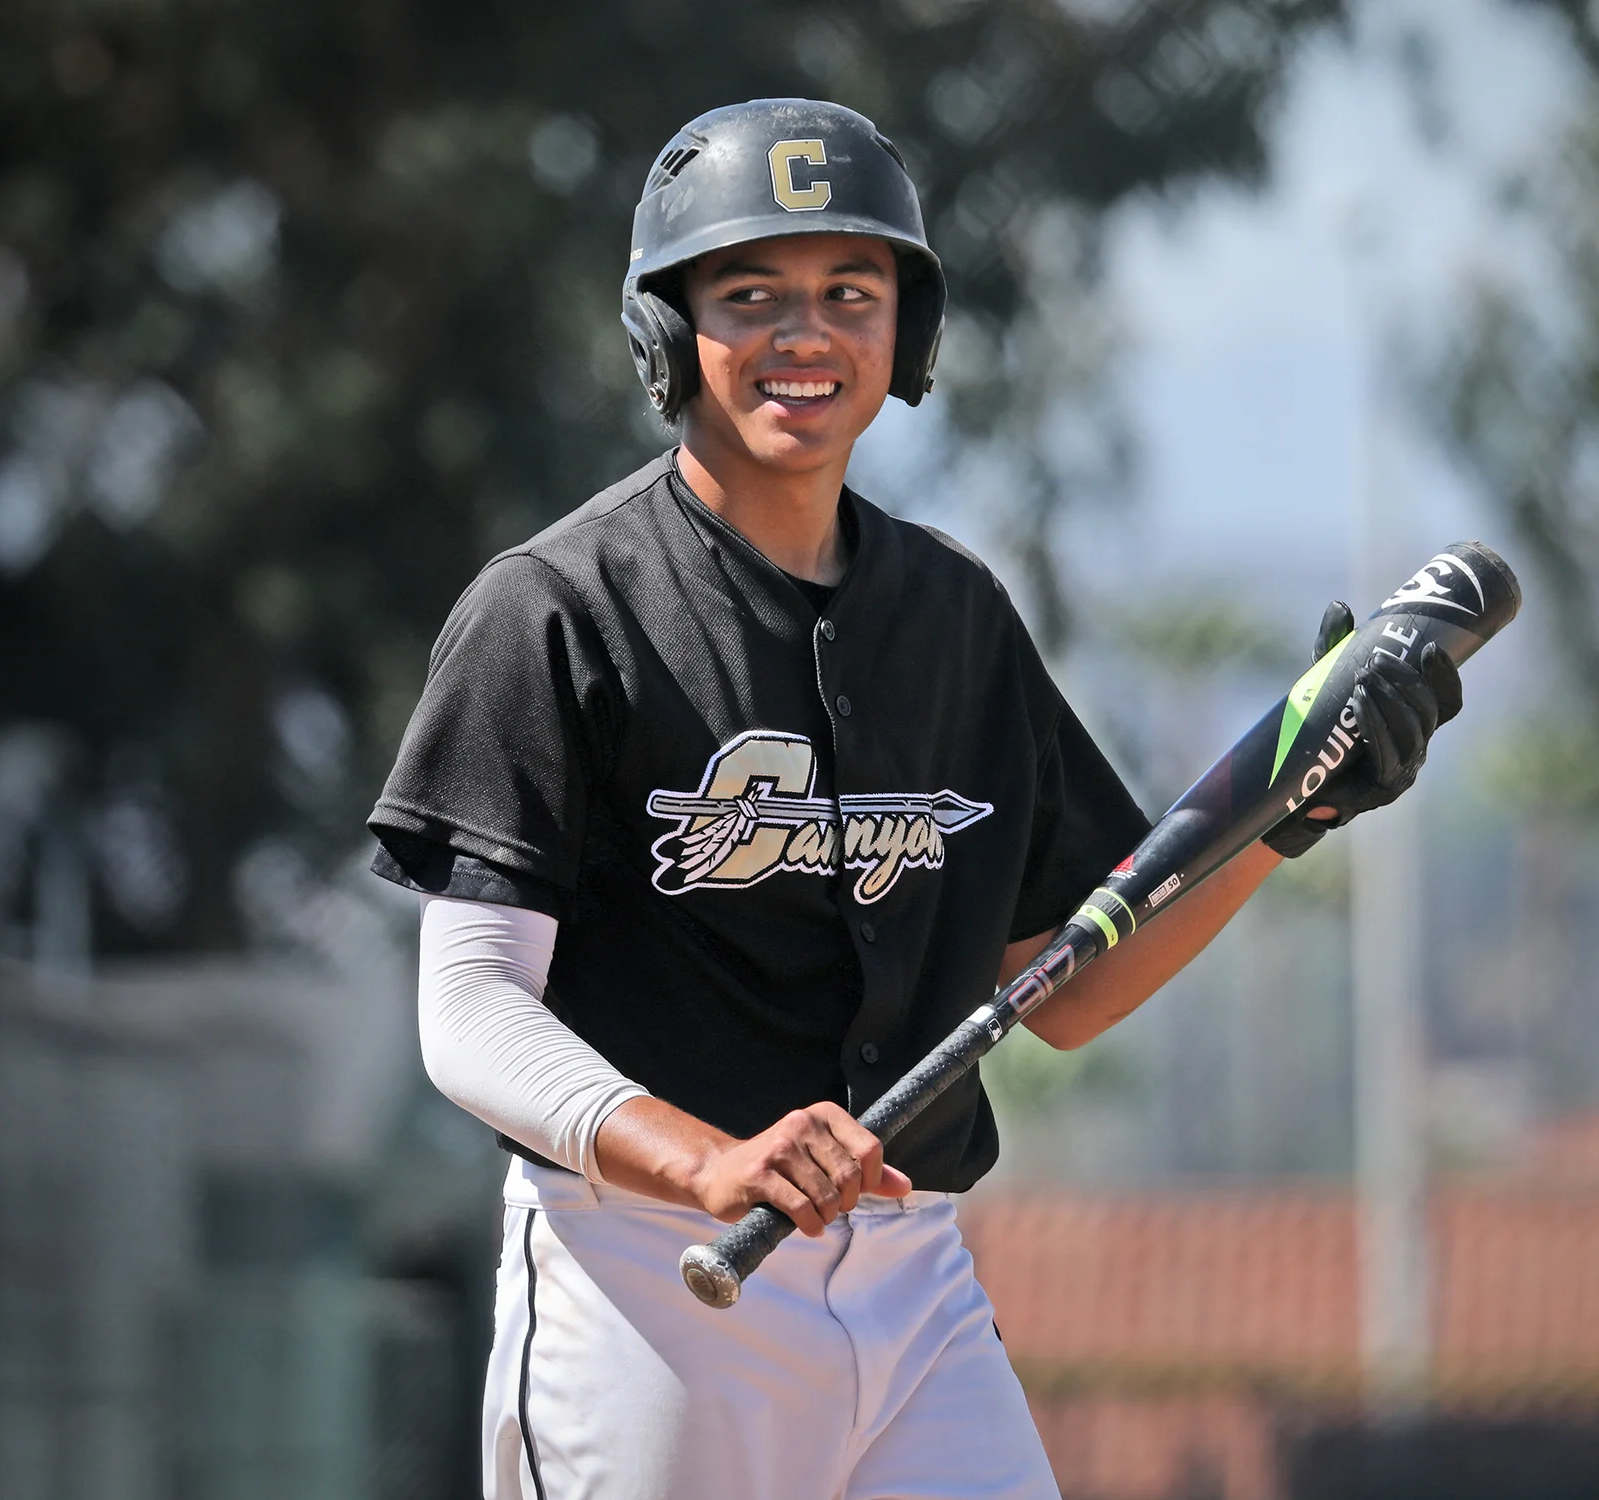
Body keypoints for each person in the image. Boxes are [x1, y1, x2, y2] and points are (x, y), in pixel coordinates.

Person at [367, 98, 1458, 1500]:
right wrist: (706, 1162)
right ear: (667, 333)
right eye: (749, 292)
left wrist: (1282, 821)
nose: (804, 334)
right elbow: (465, 1013)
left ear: (908, 332)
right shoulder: (557, 610)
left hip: (917, 1277)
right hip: (655, 1276)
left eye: (850, 292)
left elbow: (1060, 979)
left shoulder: (954, 613)